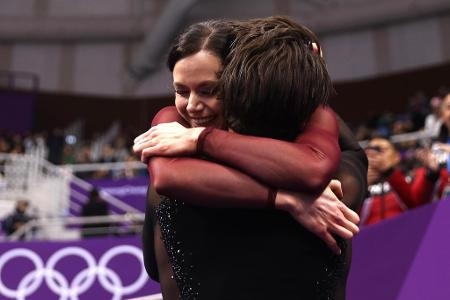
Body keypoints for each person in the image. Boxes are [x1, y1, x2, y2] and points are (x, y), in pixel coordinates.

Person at [134, 17, 366, 299]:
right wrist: (287, 199)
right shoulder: (337, 176)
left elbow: (153, 265)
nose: (193, 106)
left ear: (238, 80)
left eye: (210, 90)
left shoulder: (178, 165)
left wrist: (201, 140)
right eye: (181, 91)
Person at [361, 137, 436, 226]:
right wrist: (362, 185)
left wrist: (389, 172)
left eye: (381, 150)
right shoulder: (357, 183)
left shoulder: (413, 176)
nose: (375, 155)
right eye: (370, 151)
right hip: (367, 237)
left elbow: (417, 207)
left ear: (397, 156)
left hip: (407, 233)